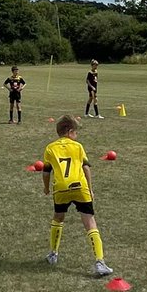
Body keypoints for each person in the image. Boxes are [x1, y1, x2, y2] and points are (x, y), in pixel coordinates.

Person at [42, 114, 114, 277]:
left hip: (60, 188)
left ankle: (53, 253)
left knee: (58, 218)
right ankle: (100, 262)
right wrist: (90, 188)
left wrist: (46, 188)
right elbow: (86, 168)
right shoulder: (78, 146)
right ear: (70, 131)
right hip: (80, 186)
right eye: (76, 132)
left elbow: (46, 171)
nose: (77, 135)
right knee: (90, 222)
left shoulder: (50, 148)